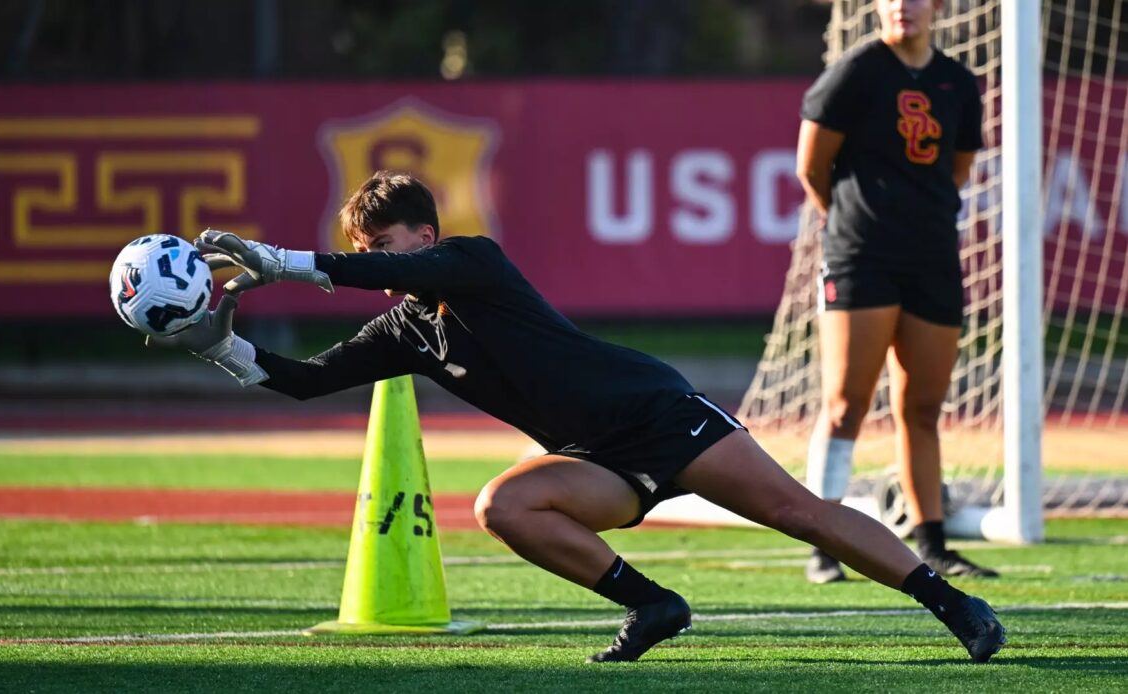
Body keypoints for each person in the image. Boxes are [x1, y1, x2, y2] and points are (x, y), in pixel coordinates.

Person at [154, 171, 1005, 663]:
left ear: (428, 234)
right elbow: (303, 381)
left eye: (388, 246)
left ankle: (947, 602)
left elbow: (350, 270)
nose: (377, 262)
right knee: (504, 505)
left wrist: (277, 261)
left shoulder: (473, 262)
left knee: (795, 513)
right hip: (594, 457)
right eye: (366, 249)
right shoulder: (406, 325)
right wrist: (215, 342)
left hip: (656, 412)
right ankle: (654, 605)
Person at [794, 0, 998, 584]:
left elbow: (957, 169)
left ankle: (932, 542)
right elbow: (812, 166)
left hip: (931, 256)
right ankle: (822, 541)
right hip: (862, 257)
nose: (903, 6)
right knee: (845, 404)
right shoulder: (855, 73)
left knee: (923, 407)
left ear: (936, 7)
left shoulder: (957, 82)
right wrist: (853, 225)